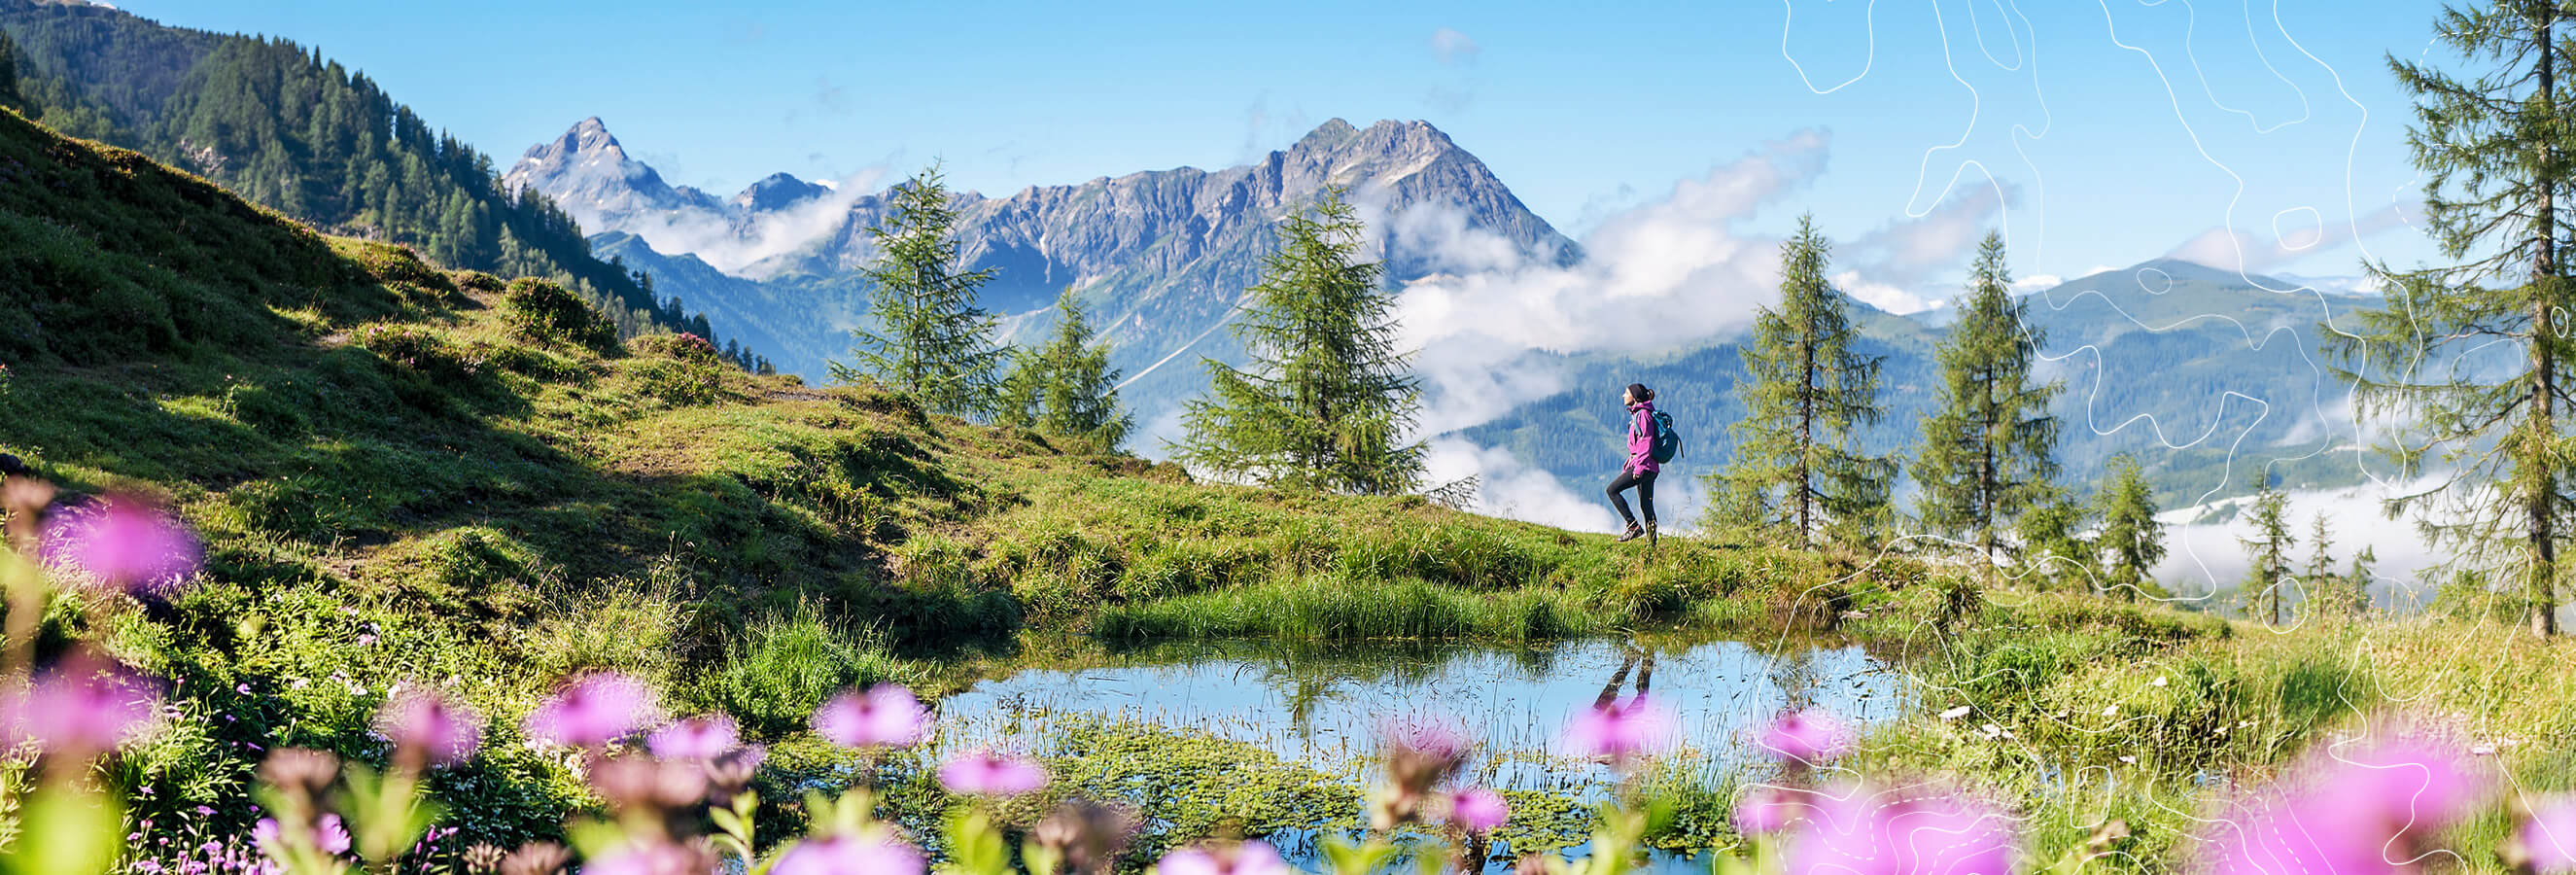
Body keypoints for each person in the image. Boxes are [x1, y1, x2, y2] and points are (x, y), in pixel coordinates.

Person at [1606, 383, 1658, 545]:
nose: (1623, 395)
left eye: (1626, 393)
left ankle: (1633, 526)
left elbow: (1646, 442)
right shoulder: (1642, 414)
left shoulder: (1643, 415)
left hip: (1645, 466)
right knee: (1646, 505)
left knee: (1612, 490)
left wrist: (1639, 467)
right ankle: (1652, 545)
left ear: (1634, 397)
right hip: (1650, 467)